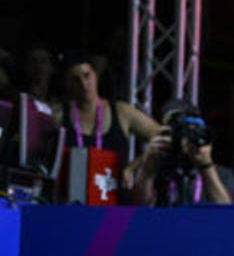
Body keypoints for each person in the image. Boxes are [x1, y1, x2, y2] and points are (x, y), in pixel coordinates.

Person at [53, 51, 162, 180]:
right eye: (76, 80)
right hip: (72, 194)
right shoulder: (58, 115)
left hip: (114, 193)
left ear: (96, 76)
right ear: (67, 84)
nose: (83, 84)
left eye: (87, 76)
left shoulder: (121, 112)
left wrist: (135, 166)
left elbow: (163, 137)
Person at [129, 98, 234, 206]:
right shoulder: (155, 170)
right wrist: (147, 170)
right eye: (176, 129)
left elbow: (226, 214)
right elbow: (139, 210)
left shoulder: (221, 174)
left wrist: (206, 166)